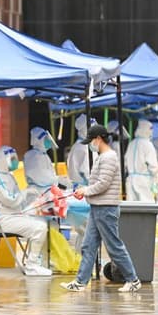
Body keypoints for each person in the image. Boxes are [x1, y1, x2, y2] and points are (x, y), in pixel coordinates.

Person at [60, 125, 141, 293]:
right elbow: (98, 182)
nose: (90, 144)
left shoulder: (109, 157)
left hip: (106, 208)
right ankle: (81, 281)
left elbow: (103, 183)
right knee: (88, 245)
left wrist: (85, 190)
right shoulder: (102, 157)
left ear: (98, 139)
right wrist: (85, 190)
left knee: (114, 246)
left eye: (91, 141)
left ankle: (133, 279)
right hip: (97, 207)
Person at [0, 146, 52, 276]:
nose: (16, 162)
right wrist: (26, 192)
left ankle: (39, 260)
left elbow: (18, 201)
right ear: (3, 160)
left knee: (43, 220)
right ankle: (32, 265)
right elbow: (10, 200)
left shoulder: (7, 176)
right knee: (40, 227)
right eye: (12, 159)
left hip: (13, 215)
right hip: (4, 220)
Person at [125, 119, 158, 202]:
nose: (151, 132)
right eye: (150, 129)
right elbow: (153, 167)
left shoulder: (131, 143)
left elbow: (126, 163)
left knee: (132, 208)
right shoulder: (148, 144)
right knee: (146, 207)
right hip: (143, 181)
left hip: (130, 180)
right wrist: (157, 179)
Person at [23, 127, 60, 196]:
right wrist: (57, 179)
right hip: (38, 193)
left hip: (46, 191)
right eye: (46, 139)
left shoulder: (43, 155)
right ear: (39, 140)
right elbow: (41, 177)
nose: (48, 141)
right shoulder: (32, 155)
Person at [67, 114, 91, 189]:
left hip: (81, 188)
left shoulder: (81, 145)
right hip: (83, 188)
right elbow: (86, 171)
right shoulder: (82, 147)